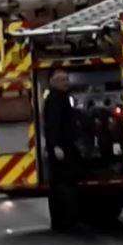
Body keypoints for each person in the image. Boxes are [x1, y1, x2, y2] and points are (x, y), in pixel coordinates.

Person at [41, 70, 82, 226]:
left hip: (64, 146)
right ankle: (64, 220)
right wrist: (56, 146)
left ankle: (64, 219)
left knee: (63, 184)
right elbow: (52, 125)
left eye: (66, 79)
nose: (66, 82)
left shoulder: (61, 97)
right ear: (53, 82)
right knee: (63, 185)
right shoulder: (55, 99)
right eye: (62, 79)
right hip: (61, 149)